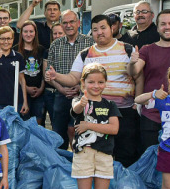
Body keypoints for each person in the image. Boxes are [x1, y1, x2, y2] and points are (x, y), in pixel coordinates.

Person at [47, 14, 140, 166]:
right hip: (93, 113)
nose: (99, 32)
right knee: (96, 157)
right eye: (95, 29)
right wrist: (55, 76)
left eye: (103, 28)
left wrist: (137, 102)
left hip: (124, 112)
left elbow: (138, 77)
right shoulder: (85, 54)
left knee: (126, 155)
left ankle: (122, 188)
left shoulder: (127, 49)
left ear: (112, 28)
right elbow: (72, 78)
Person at [70, 63, 121, 189]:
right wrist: (82, 104)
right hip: (83, 154)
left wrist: (89, 125)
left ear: (105, 84)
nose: (96, 86)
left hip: (104, 156)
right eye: (91, 82)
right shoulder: (79, 101)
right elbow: (75, 110)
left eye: (100, 82)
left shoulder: (110, 105)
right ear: (83, 83)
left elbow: (114, 129)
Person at [133, 10, 170, 153]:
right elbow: (134, 72)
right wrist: (132, 62)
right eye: (163, 24)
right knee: (149, 159)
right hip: (152, 115)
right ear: (158, 27)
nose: (167, 27)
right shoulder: (147, 50)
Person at [43, 10, 92, 146]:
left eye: (72, 22)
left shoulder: (90, 42)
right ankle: (61, 161)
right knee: (58, 134)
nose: (68, 25)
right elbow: (49, 73)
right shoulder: (55, 45)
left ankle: (78, 161)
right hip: (61, 95)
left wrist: (79, 88)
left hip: (83, 96)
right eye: (65, 22)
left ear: (79, 23)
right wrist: (61, 89)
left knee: (80, 132)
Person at [0, 27, 27, 113]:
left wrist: (25, 101)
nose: (6, 42)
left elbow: (22, 80)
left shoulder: (18, 56)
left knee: (13, 126)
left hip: (16, 101)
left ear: (13, 39)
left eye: (9, 38)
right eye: (2, 39)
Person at [17, 21, 48, 124]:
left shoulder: (41, 50)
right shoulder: (16, 50)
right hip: (21, 93)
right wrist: (26, 88)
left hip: (38, 93)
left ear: (35, 33)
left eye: (31, 31)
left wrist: (41, 88)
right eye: (25, 31)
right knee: (24, 121)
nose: (28, 34)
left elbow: (44, 72)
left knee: (38, 122)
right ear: (21, 33)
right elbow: (14, 74)